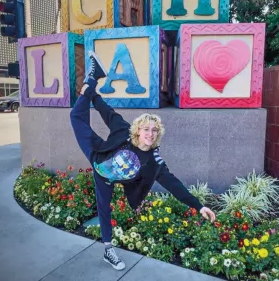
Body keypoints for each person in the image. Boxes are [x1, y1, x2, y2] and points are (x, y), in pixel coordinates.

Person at [70, 51, 217, 271]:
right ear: (138, 130)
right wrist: (90, 92)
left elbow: (175, 186)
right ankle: (93, 78)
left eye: (154, 130)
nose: (150, 133)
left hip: (107, 179)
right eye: (146, 129)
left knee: (104, 209)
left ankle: (108, 250)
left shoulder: (154, 162)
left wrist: (199, 205)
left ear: (158, 134)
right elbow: (104, 111)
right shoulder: (123, 130)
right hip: (97, 155)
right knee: (75, 116)